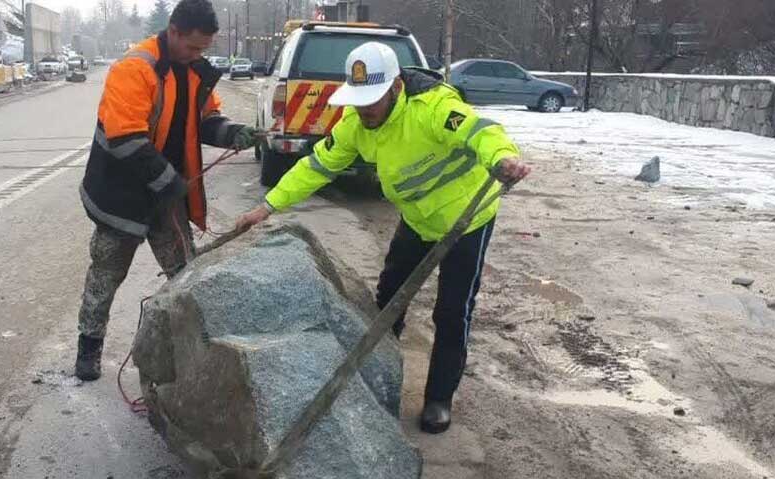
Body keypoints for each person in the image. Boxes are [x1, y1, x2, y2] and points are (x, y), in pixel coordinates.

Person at [234, 43, 531, 434]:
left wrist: (502, 159)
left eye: (372, 99)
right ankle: (378, 375)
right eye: (359, 100)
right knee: (389, 299)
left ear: (394, 87)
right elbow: (315, 167)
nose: (365, 109)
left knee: (452, 311)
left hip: (466, 221)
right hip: (417, 220)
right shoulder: (355, 125)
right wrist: (267, 207)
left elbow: (482, 133)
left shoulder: (433, 109)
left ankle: (439, 398)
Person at [75, 0, 261, 381]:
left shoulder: (194, 71)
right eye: (193, 47)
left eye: (204, 49)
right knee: (106, 274)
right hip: (122, 195)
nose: (198, 55)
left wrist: (232, 133)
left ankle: (195, 350)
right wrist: (170, 183)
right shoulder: (134, 68)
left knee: (186, 273)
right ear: (173, 31)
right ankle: (88, 349)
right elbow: (125, 140)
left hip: (165, 194)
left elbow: (205, 119)